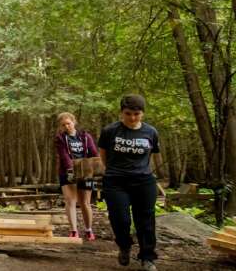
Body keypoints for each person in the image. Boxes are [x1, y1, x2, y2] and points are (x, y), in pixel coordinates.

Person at [98, 95, 161, 271]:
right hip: (115, 181)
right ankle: (124, 246)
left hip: (143, 181)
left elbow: (152, 155)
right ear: (121, 113)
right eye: (128, 114)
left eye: (136, 113)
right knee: (120, 219)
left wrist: (145, 172)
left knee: (146, 220)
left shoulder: (151, 132)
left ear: (142, 113)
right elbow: (103, 154)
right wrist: (112, 170)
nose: (132, 118)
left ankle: (147, 257)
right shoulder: (110, 131)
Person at [53, 112, 98, 241]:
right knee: (70, 200)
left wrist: (95, 166)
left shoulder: (85, 136)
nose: (67, 126)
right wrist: (70, 170)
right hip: (67, 172)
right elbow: (64, 156)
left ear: (74, 122)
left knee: (85, 202)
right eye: (63, 125)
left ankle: (89, 230)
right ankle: (73, 230)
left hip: (86, 171)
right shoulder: (60, 138)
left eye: (68, 123)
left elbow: (93, 153)